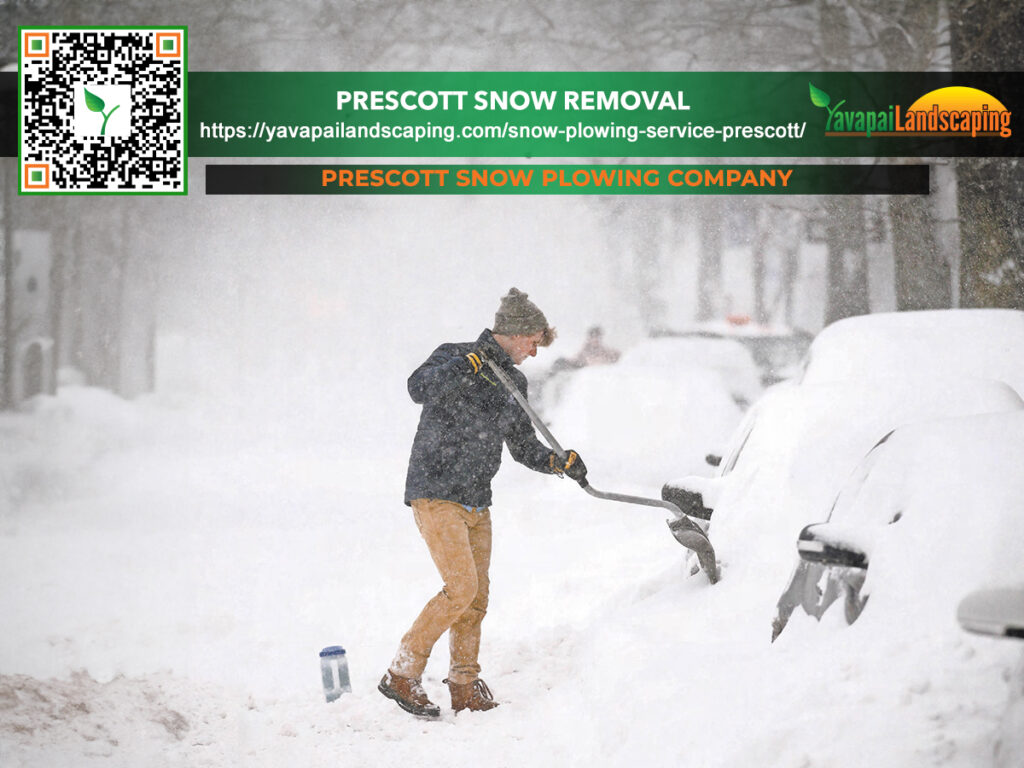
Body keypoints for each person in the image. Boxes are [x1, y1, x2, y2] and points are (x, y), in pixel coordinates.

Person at [378, 287, 588, 718]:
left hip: (477, 498)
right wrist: (464, 366)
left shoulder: (513, 379)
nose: (534, 352)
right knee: (461, 588)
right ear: (515, 333)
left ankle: (464, 684)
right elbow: (419, 388)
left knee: (476, 598)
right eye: (533, 342)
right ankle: (401, 673)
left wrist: (556, 461)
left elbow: (523, 446)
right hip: (436, 492)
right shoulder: (455, 356)